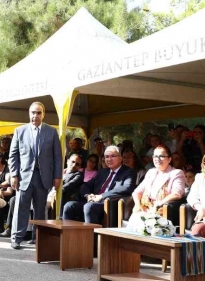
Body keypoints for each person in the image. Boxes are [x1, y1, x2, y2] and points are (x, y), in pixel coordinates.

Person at [8, 102, 62, 249]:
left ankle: (38, 239)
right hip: (24, 176)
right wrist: (14, 174)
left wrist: (57, 176)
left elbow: (57, 156)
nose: (35, 116)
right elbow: (13, 155)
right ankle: (16, 238)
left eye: (38, 113)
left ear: (43, 114)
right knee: (21, 208)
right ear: (29, 113)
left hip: (43, 178)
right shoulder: (20, 131)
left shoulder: (51, 132)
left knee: (40, 209)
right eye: (33, 112)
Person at [62, 145, 137, 225]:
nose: (109, 159)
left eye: (113, 156)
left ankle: (92, 237)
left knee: (89, 206)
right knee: (69, 206)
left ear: (120, 158)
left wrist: (101, 196)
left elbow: (127, 188)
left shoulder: (128, 172)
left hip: (109, 203)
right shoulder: (103, 172)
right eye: (107, 157)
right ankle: (68, 236)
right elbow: (86, 185)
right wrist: (87, 196)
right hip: (93, 201)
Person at [126, 145, 185, 230]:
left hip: (162, 210)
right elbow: (137, 191)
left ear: (169, 159)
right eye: (155, 156)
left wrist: (159, 204)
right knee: (135, 221)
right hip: (145, 208)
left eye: (161, 156)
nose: (157, 159)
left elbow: (177, 193)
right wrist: (137, 205)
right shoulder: (151, 172)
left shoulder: (176, 173)